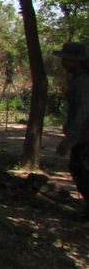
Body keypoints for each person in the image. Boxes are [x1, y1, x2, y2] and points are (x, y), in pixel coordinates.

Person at [54, 41, 89, 216]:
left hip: (85, 138)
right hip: (82, 136)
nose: (63, 63)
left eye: (66, 59)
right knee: (78, 170)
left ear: (76, 61)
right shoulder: (78, 79)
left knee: (81, 171)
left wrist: (69, 139)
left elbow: (82, 110)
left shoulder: (82, 82)